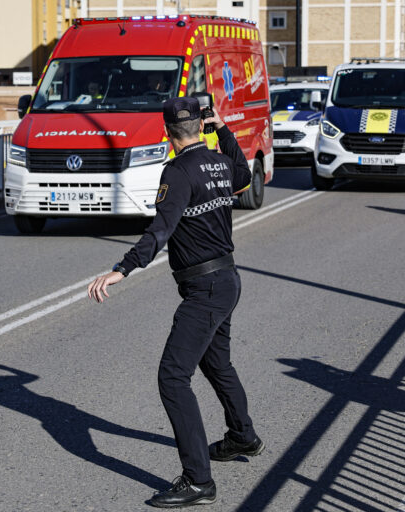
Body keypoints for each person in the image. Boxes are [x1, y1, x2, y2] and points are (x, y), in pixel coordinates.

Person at [87, 97, 264, 508]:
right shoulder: (220, 162)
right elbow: (241, 175)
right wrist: (222, 129)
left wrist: (122, 268)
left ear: (167, 133)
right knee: (217, 363)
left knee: (172, 377)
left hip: (204, 289)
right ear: (200, 127)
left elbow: (160, 230)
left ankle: (199, 479)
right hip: (227, 280)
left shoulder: (178, 172)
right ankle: (242, 435)